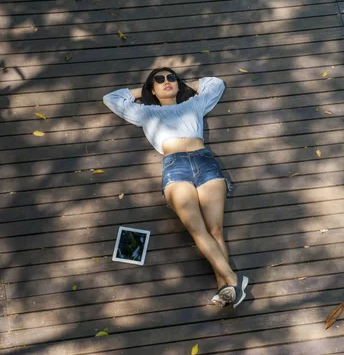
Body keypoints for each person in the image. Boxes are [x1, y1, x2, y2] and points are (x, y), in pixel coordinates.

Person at [103, 67, 248, 308]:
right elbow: (112, 99)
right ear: (152, 89)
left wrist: (182, 84)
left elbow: (216, 83)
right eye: (159, 80)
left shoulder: (194, 104)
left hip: (204, 160)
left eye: (171, 78)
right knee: (197, 229)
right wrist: (145, 91)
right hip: (175, 167)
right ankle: (234, 280)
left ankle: (225, 289)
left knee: (215, 230)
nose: (166, 81)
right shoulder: (145, 112)